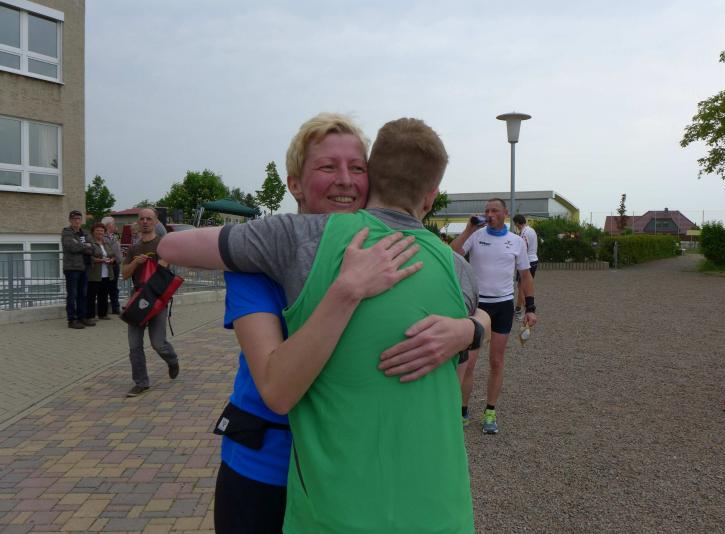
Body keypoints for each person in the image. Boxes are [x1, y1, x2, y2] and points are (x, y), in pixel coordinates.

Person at [160, 117, 484, 533]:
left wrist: (471, 328)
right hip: (265, 463)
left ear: (375, 175)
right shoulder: (266, 253)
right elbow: (276, 390)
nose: (345, 180)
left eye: (357, 167)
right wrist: (347, 290)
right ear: (295, 184)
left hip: (342, 475)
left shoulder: (396, 253)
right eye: (328, 167)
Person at [450, 198, 537, 434]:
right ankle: (462, 411)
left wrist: (530, 308)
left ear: (505, 213)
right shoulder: (475, 236)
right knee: (468, 363)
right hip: (478, 307)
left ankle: (490, 411)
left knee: (496, 361)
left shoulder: (516, 241)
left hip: (503, 306)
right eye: (487, 210)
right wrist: (468, 229)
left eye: (494, 210)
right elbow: (451, 254)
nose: (489, 214)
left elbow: (525, 276)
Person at [121, 207, 180, 397]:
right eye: (142, 219)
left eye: (149, 219)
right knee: (134, 345)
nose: (145, 222)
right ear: (138, 222)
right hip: (137, 298)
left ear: (155, 222)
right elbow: (124, 274)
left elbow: (166, 270)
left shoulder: (163, 244)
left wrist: (159, 263)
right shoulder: (134, 248)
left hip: (156, 298)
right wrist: (135, 263)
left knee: (158, 343)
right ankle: (141, 382)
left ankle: (172, 360)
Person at [61, 210, 95, 329]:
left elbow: (93, 248)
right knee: (72, 294)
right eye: (74, 219)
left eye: (78, 219)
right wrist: (86, 246)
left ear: (81, 220)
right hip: (72, 268)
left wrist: (84, 246)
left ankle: (82, 317)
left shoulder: (85, 232)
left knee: (83, 294)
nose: (76, 221)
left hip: (85, 267)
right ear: (70, 220)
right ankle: (72, 320)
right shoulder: (66, 232)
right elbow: (72, 247)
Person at [513, 214, 539, 321]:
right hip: (534, 259)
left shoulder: (524, 233)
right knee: (523, 286)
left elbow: (523, 247)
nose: (516, 226)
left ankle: (525, 311)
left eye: (515, 224)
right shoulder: (531, 230)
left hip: (527, 261)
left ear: (517, 223)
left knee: (522, 287)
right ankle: (518, 308)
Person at [86, 223, 115, 320]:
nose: (100, 232)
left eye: (102, 230)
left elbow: (112, 255)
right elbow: (88, 257)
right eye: (97, 230)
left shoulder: (106, 242)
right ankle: (90, 315)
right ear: (93, 232)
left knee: (104, 294)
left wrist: (112, 259)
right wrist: (101, 260)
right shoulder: (90, 243)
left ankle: (102, 314)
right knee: (91, 295)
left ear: (104, 232)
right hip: (94, 273)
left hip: (106, 273)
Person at [102, 216, 123, 314]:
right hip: (108, 265)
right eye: (113, 223)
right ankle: (105, 309)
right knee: (106, 287)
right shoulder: (103, 237)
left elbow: (117, 248)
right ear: (108, 225)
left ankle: (115, 307)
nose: (115, 225)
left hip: (116, 264)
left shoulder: (114, 236)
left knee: (114, 287)